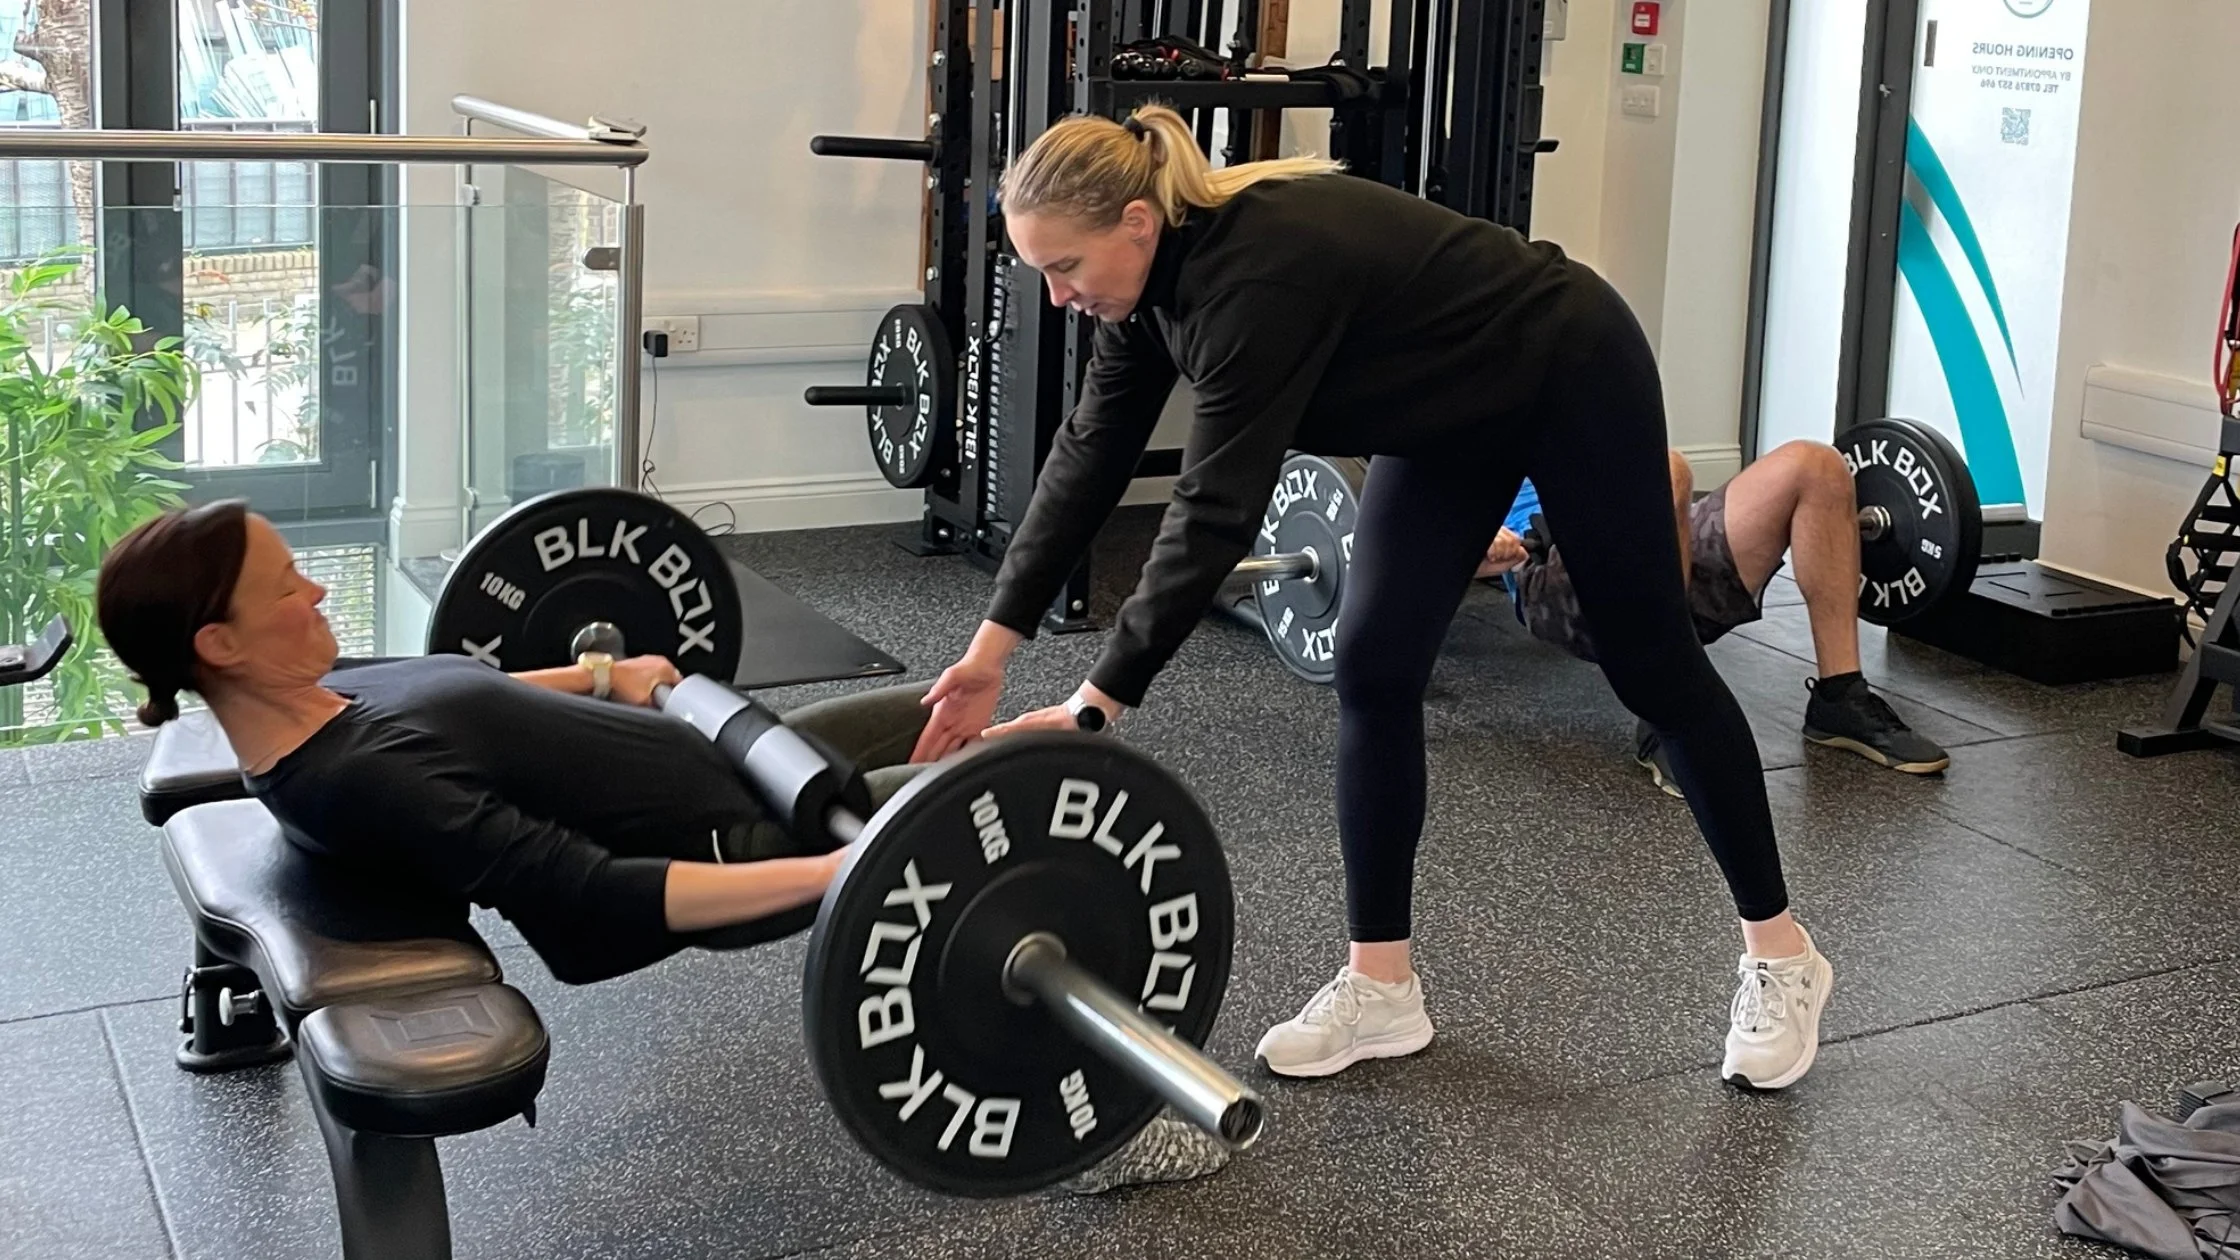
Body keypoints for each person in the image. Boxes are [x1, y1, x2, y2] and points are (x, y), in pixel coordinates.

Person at [908, 104, 1835, 1092]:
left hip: (1566, 366)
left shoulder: (1251, 277)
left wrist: (1098, 702)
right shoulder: (1145, 294)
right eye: (1042, 272)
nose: (1057, 296)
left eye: (1064, 268)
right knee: (1373, 667)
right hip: (1445, 414)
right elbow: (1087, 458)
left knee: (1650, 667)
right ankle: (1381, 986)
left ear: (1136, 223)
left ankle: (1781, 956)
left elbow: (1210, 515)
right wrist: (988, 654)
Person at [94, 499, 1228, 1193]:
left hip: (718, 749)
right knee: (1017, 814)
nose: (311, 585)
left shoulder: (300, 698)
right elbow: (583, 894)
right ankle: (1108, 1131)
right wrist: (850, 875)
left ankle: (982, 767)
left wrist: (600, 675)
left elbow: (461, 694)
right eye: (284, 584)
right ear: (219, 642)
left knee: (955, 716)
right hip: (730, 835)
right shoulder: (353, 782)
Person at [1479, 441, 1952, 796]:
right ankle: (1669, 708)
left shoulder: (1583, 364)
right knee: (1668, 468)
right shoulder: (1462, 391)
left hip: (1652, 533)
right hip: (1546, 559)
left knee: (1817, 465)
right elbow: (1413, 524)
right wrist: (1480, 541)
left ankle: (1841, 698)